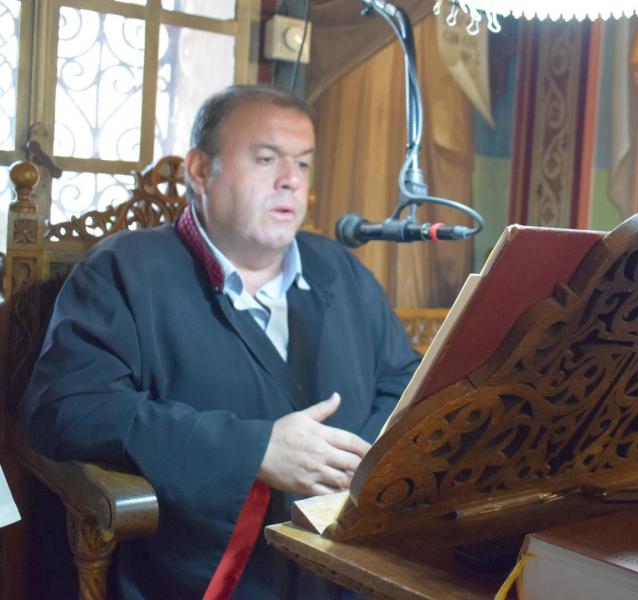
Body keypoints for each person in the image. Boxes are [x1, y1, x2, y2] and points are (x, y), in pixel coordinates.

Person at [22, 84, 421, 599]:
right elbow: (68, 408)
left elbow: (405, 380)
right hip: (210, 573)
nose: (291, 180)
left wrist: (357, 460)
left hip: (351, 564)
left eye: (302, 163)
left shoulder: (340, 270)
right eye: (266, 159)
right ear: (199, 170)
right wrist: (254, 451)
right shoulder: (124, 270)